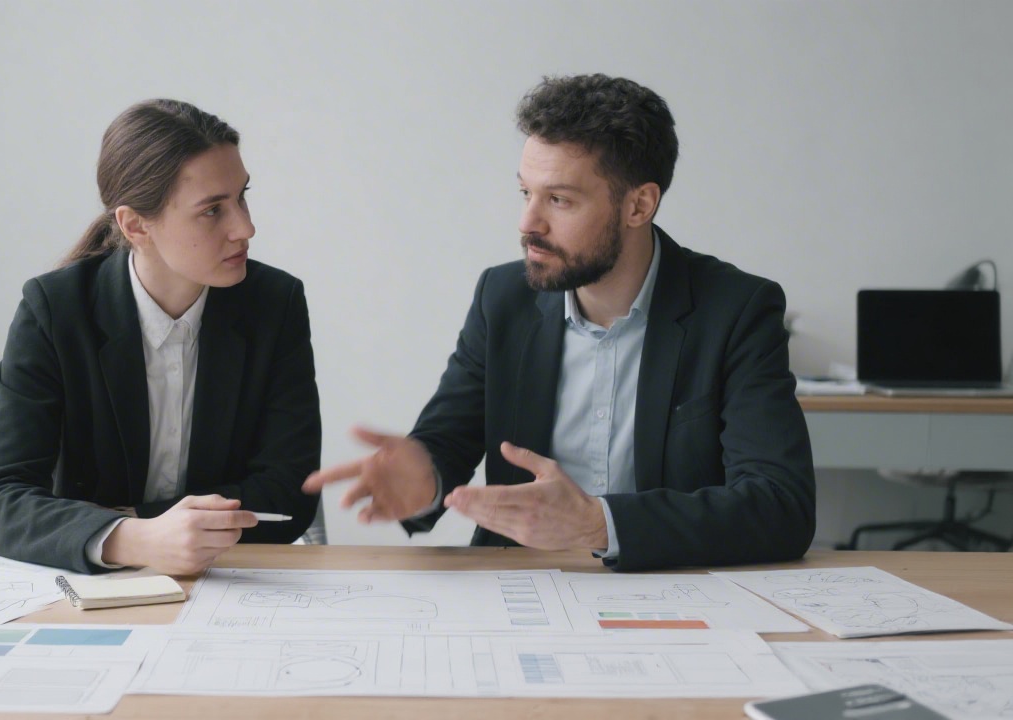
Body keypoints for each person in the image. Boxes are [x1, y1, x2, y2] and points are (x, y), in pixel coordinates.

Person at [303, 74, 815, 571]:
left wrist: (600, 525)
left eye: (559, 200)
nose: (528, 224)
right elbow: (446, 444)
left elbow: (780, 506)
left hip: (669, 588)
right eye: (525, 192)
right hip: (518, 588)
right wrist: (427, 482)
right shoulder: (502, 298)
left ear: (639, 204)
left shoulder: (736, 309)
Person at [0, 99, 321, 575]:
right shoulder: (55, 310)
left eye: (242, 196)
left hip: (229, 584)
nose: (246, 226)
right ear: (135, 225)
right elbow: (0, 499)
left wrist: (118, 526)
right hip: (91, 593)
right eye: (213, 210)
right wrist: (135, 540)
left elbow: (287, 498)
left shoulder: (274, 304)